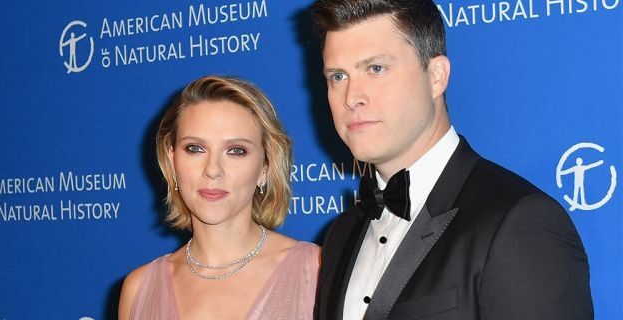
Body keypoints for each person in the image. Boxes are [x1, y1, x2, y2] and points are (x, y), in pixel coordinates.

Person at [310, 1, 593, 319]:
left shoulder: (518, 222)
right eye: (337, 76)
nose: (351, 97)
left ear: (436, 76)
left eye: (375, 69)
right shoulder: (341, 233)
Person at [118, 76, 319, 319]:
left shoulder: (316, 272)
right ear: (172, 161)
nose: (213, 169)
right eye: (195, 148)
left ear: (265, 167)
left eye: (236, 151)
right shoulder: (139, 290)